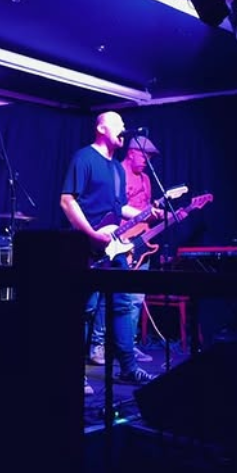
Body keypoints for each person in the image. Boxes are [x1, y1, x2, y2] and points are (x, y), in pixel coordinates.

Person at [60, 111, 160, 393]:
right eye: (119, 125)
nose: (124, 130)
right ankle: (73, 371)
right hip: (86, 246)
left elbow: (118, 210)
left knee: (123, 303)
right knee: (85, 309)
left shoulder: (117, 168)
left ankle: (128, 368)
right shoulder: (84, 158)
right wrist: (91, 234)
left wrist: (147, 213)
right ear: (102, 128)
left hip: (114, 246)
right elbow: (67, 201)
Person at [87, 135, 162, 366]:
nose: (147, 161)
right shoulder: (117, 173)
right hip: (117, 243)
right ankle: (98, 345)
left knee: (136, 298)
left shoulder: (147, 179)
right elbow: (114, 209)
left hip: (141, 243)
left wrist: (156, 213)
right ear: (131, 153)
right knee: (105, 298)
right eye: (144, 156)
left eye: (150, 158)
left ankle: (128, 346)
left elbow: (145, 210)